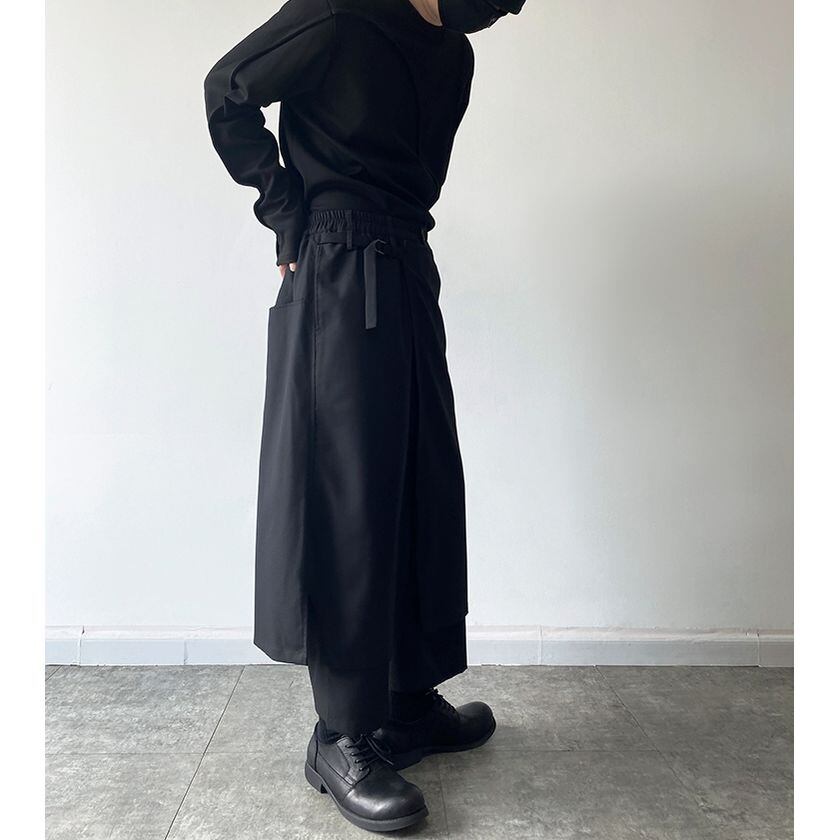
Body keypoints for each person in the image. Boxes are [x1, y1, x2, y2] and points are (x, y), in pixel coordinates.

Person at [204, 0, 525, 831]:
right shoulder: (340, 13)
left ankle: (407, 702)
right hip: (339, 269)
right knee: (345, 497)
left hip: (408, 262)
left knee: (422, 480)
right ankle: (340, 732)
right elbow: (227, 89)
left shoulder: (452, 56)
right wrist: (286, 210)